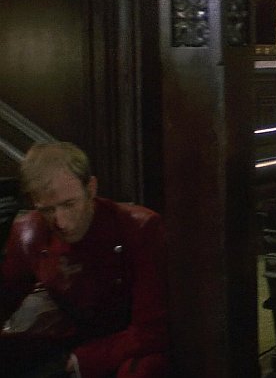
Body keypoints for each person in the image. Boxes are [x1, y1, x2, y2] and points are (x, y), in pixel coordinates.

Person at [0, 142, 168, 378]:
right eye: (47, 210)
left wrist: (79, 361)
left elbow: (152, 330)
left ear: (91, 188)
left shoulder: (138, 227)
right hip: (70, 340)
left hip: (128, 346)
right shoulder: (28, 233)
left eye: (69, 204)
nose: (61, 222)